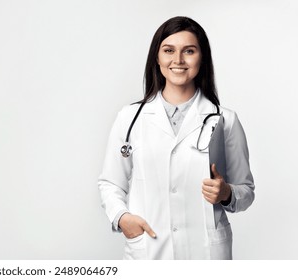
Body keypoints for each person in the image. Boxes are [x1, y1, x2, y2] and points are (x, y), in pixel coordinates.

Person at [98, 16, 255, 260]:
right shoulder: (130, 117)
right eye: (168, 50)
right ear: (157, 58)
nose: (178, 60)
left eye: (189, 51)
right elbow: (110, 182)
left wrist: (226, 193)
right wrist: (123, 218)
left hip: (207, 252)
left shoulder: (225, 120)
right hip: (149, 249)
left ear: (201, 58)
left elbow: (246, 190)